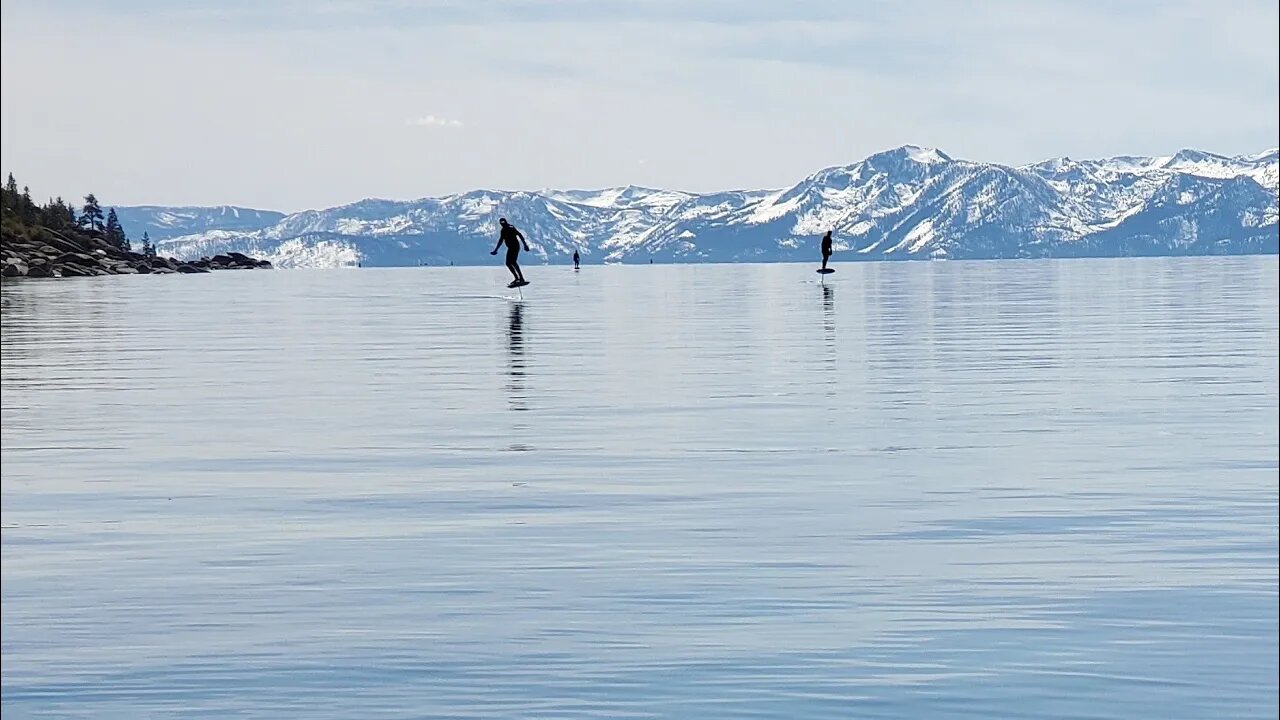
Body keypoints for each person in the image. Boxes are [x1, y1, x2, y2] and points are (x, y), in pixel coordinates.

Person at [491, 218, 530, 287]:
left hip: (515, 247)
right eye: (501, 223)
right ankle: (517, 278)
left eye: (503, 222)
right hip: (510, 248)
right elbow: (501, 240)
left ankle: (521, 278)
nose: (502, 224)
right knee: (508, 263)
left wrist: (525, 245)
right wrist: (496, 250)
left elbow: (520, 235)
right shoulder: (503, 230)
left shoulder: (511, 227)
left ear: (506, 222)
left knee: (513, 262)